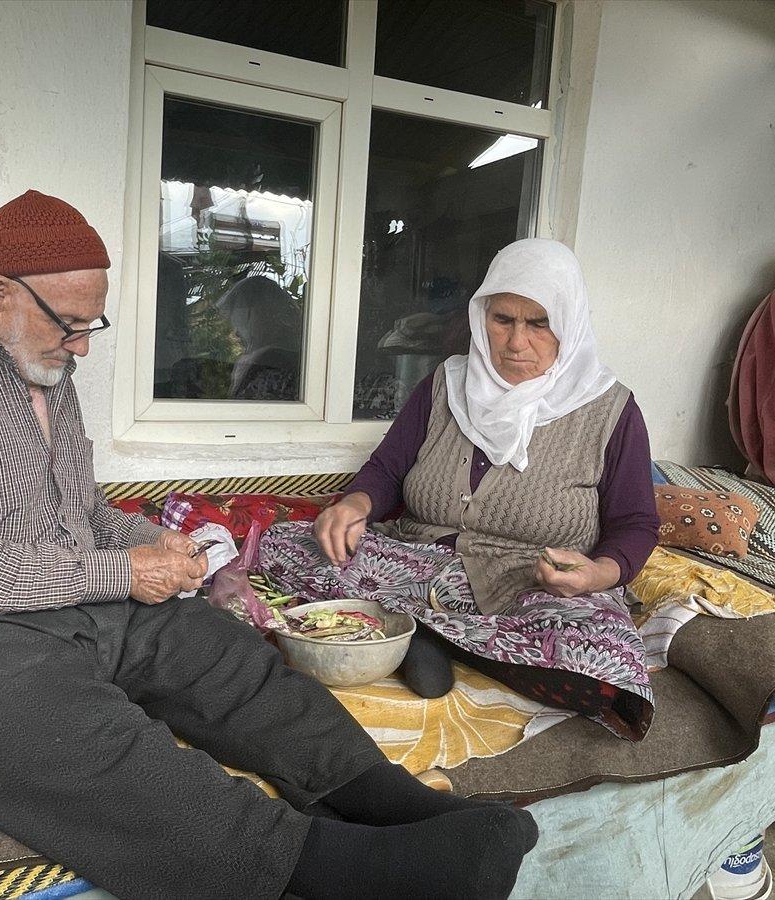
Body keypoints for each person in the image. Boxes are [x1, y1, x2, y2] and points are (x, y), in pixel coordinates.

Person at [0, 190, 537, 900]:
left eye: (90, 326)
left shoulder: (47, 373)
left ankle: (392, 803)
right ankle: (337, 868)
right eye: (70, 325)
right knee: (73, 734)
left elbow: (82, 511)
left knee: (227, 657)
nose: (82, 347)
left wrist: (160, 544)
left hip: (74, 602)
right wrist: (123, 570)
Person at [262, 239, 659, 740]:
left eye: (539, 323)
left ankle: (424, 635)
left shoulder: (611, 410)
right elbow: (387, 469)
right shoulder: (445, 385)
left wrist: (598, 574)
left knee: (601, 657)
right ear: (481, 316)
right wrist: (356, 504)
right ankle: (445, 636)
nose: (516, 342)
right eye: (502, 319)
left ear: (570, 323)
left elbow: (636, 523)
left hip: (529, 583)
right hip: (415, 563)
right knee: (285, 544)